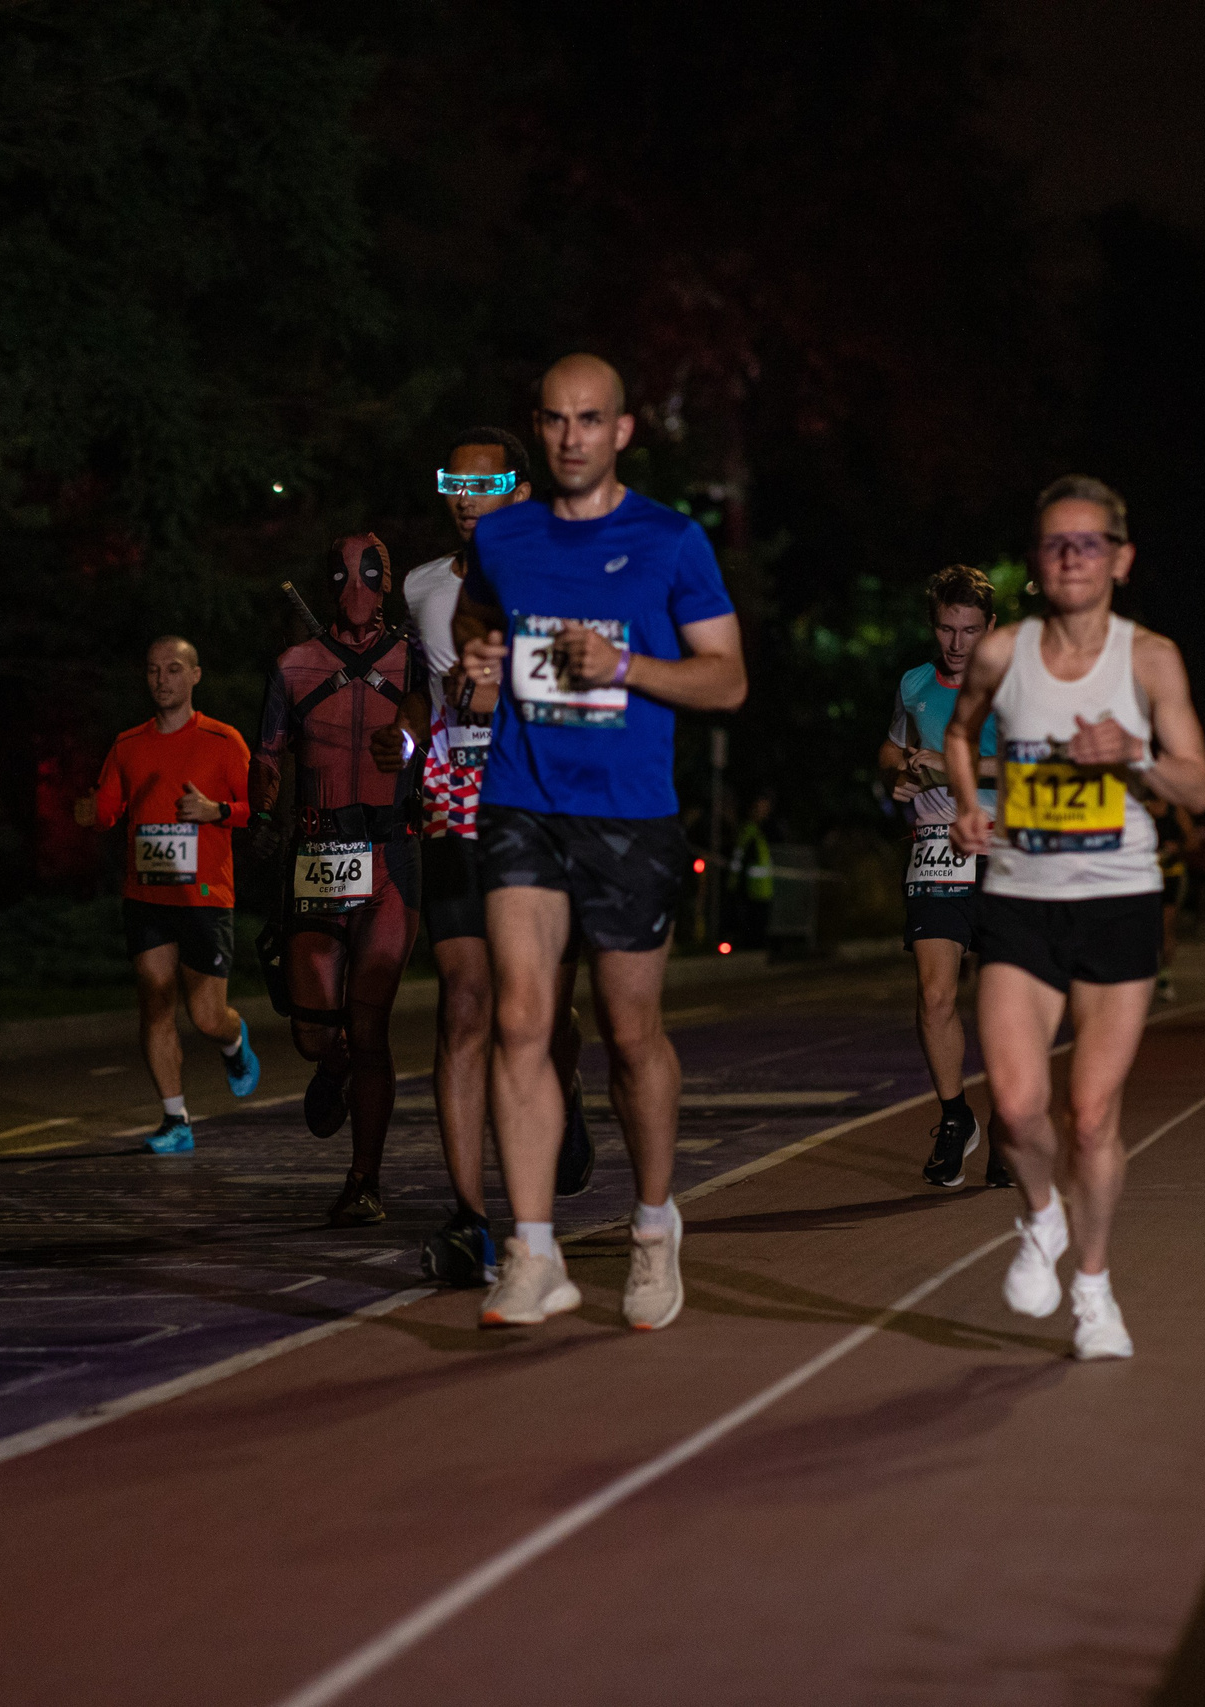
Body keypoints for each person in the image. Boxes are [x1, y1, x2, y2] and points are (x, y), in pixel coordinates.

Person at [454, 352, 747, 1330]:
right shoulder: (503, 535)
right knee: (522, 1019)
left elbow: (726, 682)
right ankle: (533, 1250)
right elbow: (475, 615)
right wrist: (480, 650)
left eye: (591, 421)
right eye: (555, 420)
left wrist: (625, 664)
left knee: (628, 1038)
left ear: (622, 431)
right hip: (520, 797)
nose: (571, 437)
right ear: (536, 428)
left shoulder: (669, 541)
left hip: (628, 811)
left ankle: (654, 1225)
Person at [945, 474, 1205, 1362]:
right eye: (1054, 543)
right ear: (1034, 560)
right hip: (1020, 897)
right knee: (1019, 1112)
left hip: (1117, 899)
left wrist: (1132, 753)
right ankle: (1040, 1216)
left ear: (1120, 559)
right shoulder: (1001, 653)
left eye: (1088, 542)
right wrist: (967, 803)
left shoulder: (1150, 661)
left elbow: (1200, 788)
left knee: (1092, 1115)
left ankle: (1093, 1288)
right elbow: (959, 732)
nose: (1070, 556)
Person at [388, 430, 595, 1286]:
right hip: (454, 811)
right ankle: (471, 1214)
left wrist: (502, 682)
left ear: (518, 489)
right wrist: (402, 735)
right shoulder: (423, 587)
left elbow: (590, 681)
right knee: (463, 1006)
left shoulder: (557, 567)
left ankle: (563, 1078)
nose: (466, 495)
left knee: (535, 1012)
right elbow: (418, 694)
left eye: (486, 482)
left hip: (543, 811)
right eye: (454, 483)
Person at [256, 533, 425, 1227]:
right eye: (346, 574)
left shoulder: (416, 662)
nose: (357, 586)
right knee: (315, 1033)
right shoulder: (294, 666)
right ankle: (334, 1068)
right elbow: (268, 750)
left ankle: (364, 1179)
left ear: (387, 581)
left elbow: (440, 731)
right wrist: (262, 816)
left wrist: (412, 746)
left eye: (370, 572)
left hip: (391, 856)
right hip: (320, 854)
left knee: (372, 1023)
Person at [75, 636, 262, 1156]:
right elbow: (108, 809)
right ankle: (175, 1119)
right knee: (155, 1002)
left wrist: (216, 811)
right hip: (147, 895)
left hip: (204, 896)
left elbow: (260, 809)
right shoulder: (128, 745)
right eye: (154, 670)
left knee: (205, 1015)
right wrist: (92, 815)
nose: (162, 680)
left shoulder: (224, 742)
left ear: (195, 676)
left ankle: (233, 1040)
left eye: (174, 669)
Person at [878, 563, 1014, 1189]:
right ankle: (956, 1117)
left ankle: (1009, 1125)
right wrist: (900, 772)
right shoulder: (913, 683)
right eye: (945, 630)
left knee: (1004, 1005)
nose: (957, 645)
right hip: (938, 848)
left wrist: (955, 766)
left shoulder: (1014, 685)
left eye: (969, 631)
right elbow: (893, 746)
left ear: (991, 628)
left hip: (1008, 851)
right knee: (935, 996)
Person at [1148, 793, 1193, 1002]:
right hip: (1144, 876)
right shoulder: (1139, 805)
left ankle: (1164, 976)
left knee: (1167, 926)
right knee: (1143, 928)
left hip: (1171, 874)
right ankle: (1143, 977)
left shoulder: (1176, 808)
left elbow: (1192, 840)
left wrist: (1178, 848)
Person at [730, 792, 777, 950]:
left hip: (762, 891)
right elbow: (738, 860)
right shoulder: (749, 831)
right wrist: (735, 885)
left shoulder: (758, 832)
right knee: (751, 931)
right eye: (761, 807)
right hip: (751, 891)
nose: (764, 811)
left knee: (758, 930)